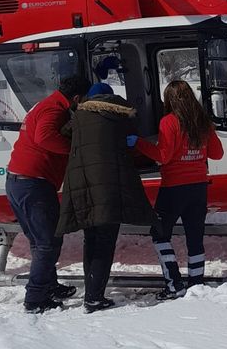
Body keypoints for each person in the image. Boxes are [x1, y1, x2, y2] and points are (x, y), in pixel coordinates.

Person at [56, 83, 158, 313]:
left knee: (90, 239)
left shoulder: (79, 117)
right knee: (104, 241)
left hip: (83, 185)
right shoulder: (121, 117)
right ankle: (94, 297)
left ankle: (91, 291)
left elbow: (63, 133)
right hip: (110, 187)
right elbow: (133, 143)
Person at [130, 80, 224, 300]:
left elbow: (163, 156)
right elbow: (217, 154)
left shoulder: (169, 122)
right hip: (199, 187)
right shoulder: (203, 123)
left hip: (173, 188)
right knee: (195, 237)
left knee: (160, 234)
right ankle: (196, 284)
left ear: (169, 100)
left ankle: (174, 283)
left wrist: (139, 143)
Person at [6, 75, 91, 314]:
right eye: (83, 100)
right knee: (48, 243)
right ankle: (35, 299)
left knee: (39, 242)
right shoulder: (54, 109)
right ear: (76, 98)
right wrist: (73, 150)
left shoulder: (48, 104)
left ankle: (49, 285)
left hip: (21, 182)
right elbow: (43, 137)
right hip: (33, 184)